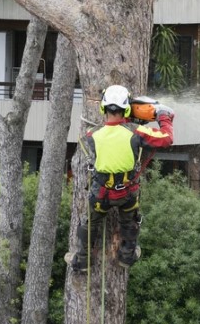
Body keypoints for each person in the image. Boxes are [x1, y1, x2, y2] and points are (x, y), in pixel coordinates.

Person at [67, 84, 174, 273]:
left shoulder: (91, 135)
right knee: (130, 222)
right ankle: (127, 256)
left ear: (103, 107)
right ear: (126, 108)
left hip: (101, 195)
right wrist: (163, 116)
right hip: (127, 194)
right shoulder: (136, 132)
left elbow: (110, 141)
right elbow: (166, 138)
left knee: (89, 223)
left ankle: (82, 261)